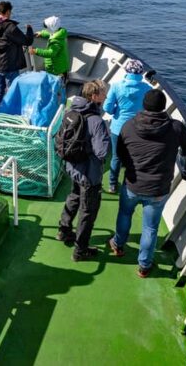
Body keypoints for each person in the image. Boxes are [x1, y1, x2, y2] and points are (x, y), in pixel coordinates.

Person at [108, 89, 186, 278]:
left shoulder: (128, 126)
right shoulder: (175, 128)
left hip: (132, 184)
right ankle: (144, 266)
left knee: (125, 214)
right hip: (158, 189)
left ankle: (117, 245)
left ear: (144, 105)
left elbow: (121, 155)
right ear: (163, 107)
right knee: (150, 228)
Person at [57, 79, 111, 262]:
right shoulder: (96, 121)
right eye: (104, 93)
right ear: (95, 97)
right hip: (89, 174)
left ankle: (63, 231)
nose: (106, 96)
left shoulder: (71, 111)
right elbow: (101, 152)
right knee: (87, 211)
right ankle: (80, 250)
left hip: (72, 167)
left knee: (73, 196)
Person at [102, 59, 151, 194]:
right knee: (134, 158)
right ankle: (129, 185)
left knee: (116, 157)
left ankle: (112, 185)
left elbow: (107, 108)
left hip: (118, 129)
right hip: (137, 129)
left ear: (126, 71)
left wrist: (116, 110)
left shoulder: (116, 86)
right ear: (141, 72)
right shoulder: (147, 89)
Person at [0, 0, 34, 109]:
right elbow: (27, 41)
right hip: (9, 65)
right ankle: (12, 113)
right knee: (13, 90)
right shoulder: (9, 26)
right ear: (7, 12)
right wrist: (29, 29)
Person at [29, 16, 69, 81]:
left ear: (52, 27)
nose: (46, 28)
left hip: (56, 70)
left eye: (47, 27)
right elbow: (49, 33)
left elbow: (51, 53)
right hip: (57, 67)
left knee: (58, 87)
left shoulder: (56, 41)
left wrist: (36, 51)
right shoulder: (58, 33)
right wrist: (41, 33)